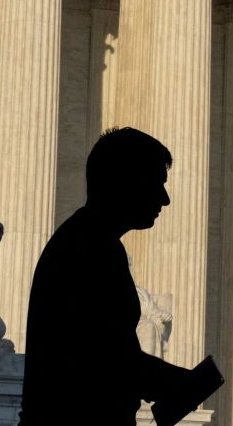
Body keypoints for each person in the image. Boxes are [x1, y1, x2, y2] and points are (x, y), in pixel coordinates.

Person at [18, 128, 222, 426]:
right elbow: (104, 361)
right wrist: (179, 382)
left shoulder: (87, 240)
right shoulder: (90, 248)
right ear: (125, 182)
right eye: (156, 183)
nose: (164, 199)